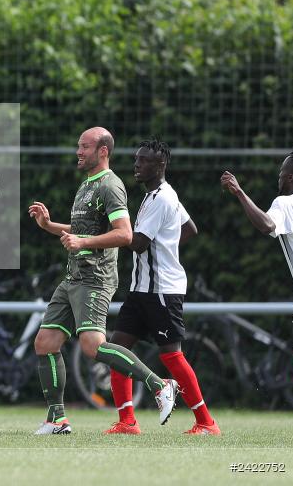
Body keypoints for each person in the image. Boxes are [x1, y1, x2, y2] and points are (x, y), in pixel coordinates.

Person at [27, 127, 178, 434]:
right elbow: (82, 228)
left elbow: (124, 234)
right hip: (73, 277)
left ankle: (160, 385)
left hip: (95, 279)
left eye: (85, 147)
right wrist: (49, 225)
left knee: (93, 346)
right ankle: (57, 420)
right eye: (78, 146)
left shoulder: (111, 185)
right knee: (46, 342)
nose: (78, 152)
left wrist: (82, 243)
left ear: (103, 151)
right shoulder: (86, 185)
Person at [105, 139, 219, 436]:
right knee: (117, 350)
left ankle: (206, 422)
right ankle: (127, 421)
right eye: (136, 159)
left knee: (171, 356)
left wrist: (110, 233)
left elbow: (139, 244)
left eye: (143, 161)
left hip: (161, 291)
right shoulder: (155, 196)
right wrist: (167, 245)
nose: (137, 165)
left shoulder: (162, 198)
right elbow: (189, 229)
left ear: (161, 165)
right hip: (141, 289)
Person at [221, 150, 293, 385]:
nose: (278, 178)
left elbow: (267, 225)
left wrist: (239, 192)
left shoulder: (285, 203)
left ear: (290, 178)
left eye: (281, 173)